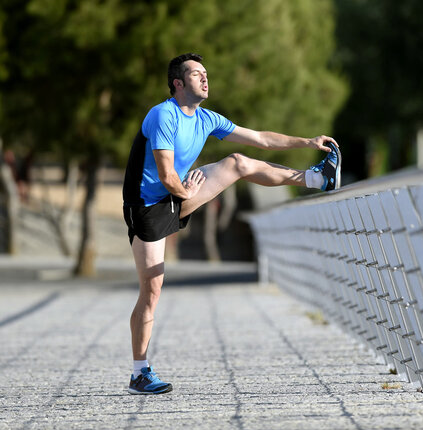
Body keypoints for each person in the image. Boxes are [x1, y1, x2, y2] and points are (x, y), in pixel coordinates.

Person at [122, 53, 341, 394]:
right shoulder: (163, 115)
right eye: (197, 74)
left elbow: (261, 139)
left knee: (238, 162)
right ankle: (139, 373)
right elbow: (166, 175)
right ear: (178, 83)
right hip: (148, 207)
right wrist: (185, 191)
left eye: (206, 74)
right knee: (151, 290)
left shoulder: (207, 119)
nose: (205, 79)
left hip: (178, 194)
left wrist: (307, 142)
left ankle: (317, 179)